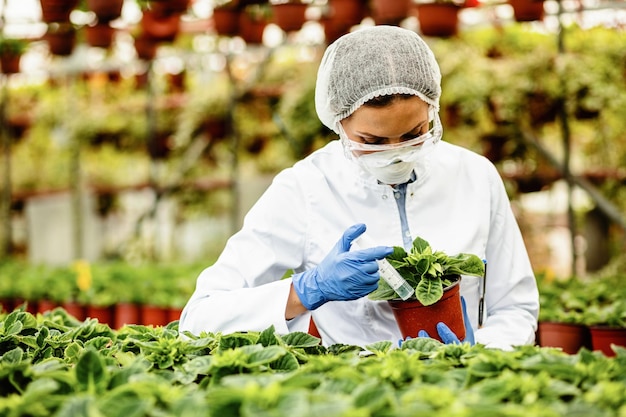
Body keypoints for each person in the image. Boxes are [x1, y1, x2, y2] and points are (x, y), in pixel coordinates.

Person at [179, 25, 539, 350]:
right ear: (338, 122)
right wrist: (307, 291)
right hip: (356, 392)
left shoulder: (475, 176)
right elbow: (200, 317)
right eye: (372, 140)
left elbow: (515, 306)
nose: (396, 152)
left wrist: (484, 349)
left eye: (414, 134)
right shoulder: (306, 188)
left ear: (433, 109)